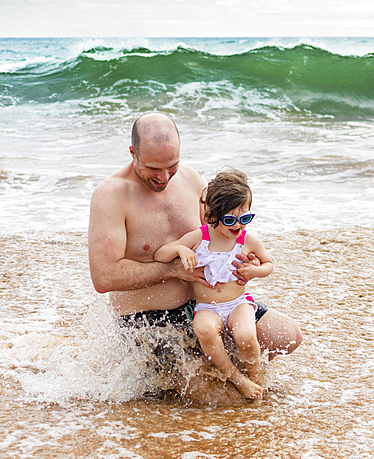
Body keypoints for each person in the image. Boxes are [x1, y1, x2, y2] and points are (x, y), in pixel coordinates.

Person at [88, 112, 302, 401]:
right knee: (224, 400)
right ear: (132, 153)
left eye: (171, 166)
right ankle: (192, 374)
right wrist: (172, 270)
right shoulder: (111, 195)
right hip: (149, 320)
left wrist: (246, 261)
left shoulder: (189, 178)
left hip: (208, 306)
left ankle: (221, 361)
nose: (164, 178)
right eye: (154, 169)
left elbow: (220, 232)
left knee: (288, 336)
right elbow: (104, 277)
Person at [154, 168, 271, 399]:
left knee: (246, 337)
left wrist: (255, 271)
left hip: (238, 303)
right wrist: (179, 249)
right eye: (230, 219)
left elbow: (269, 264)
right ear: (213, 215)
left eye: (245, 218)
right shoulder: (200, 237)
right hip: (208, 307)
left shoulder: (248, 239)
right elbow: (160, 254)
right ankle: (236, 378)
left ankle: (255, 375)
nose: (238, 225)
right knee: (204, 329)